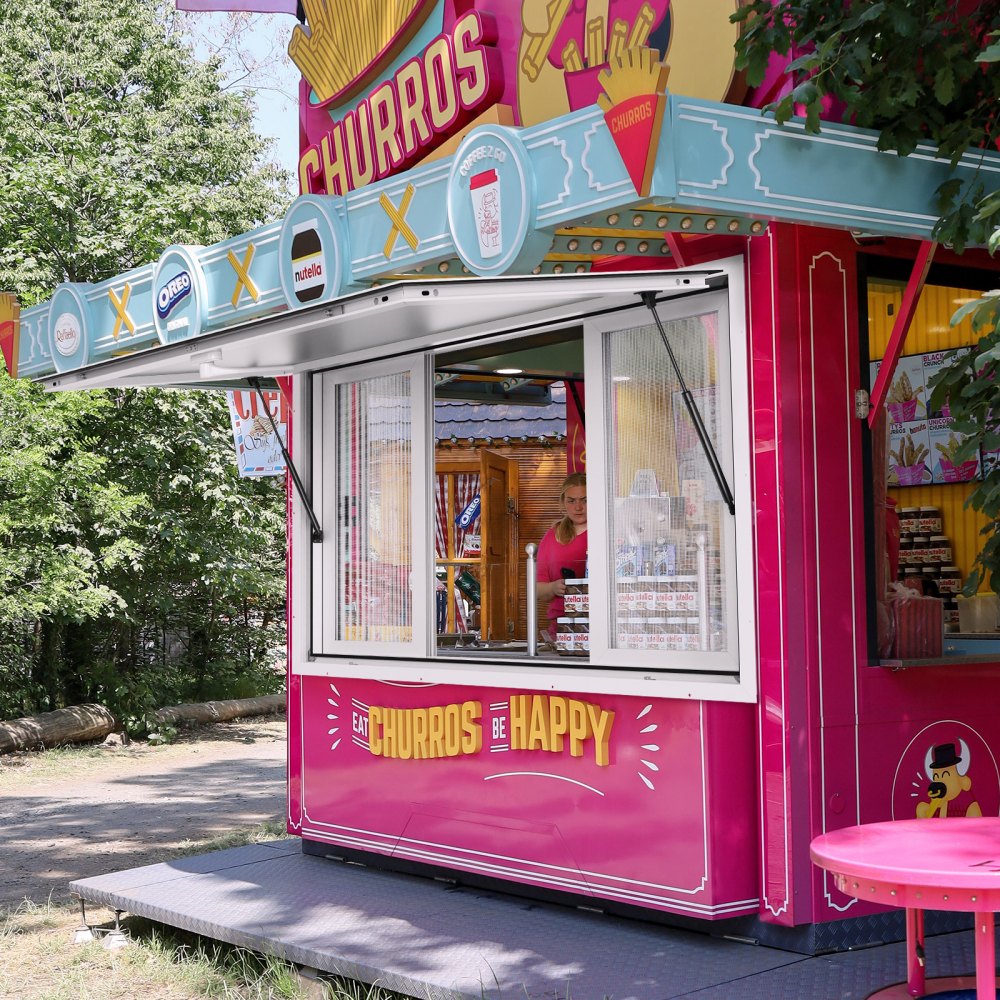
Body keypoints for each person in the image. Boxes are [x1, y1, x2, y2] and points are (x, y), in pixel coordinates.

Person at [537, 472, 588, 622]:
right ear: (563, 502)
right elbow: (538, 589)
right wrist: (553, 588)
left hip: (599, 620)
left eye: (585, 500)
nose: (578, 507)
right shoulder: (553, 536)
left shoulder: (605, 532)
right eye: (571, 501)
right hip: (562, 622)